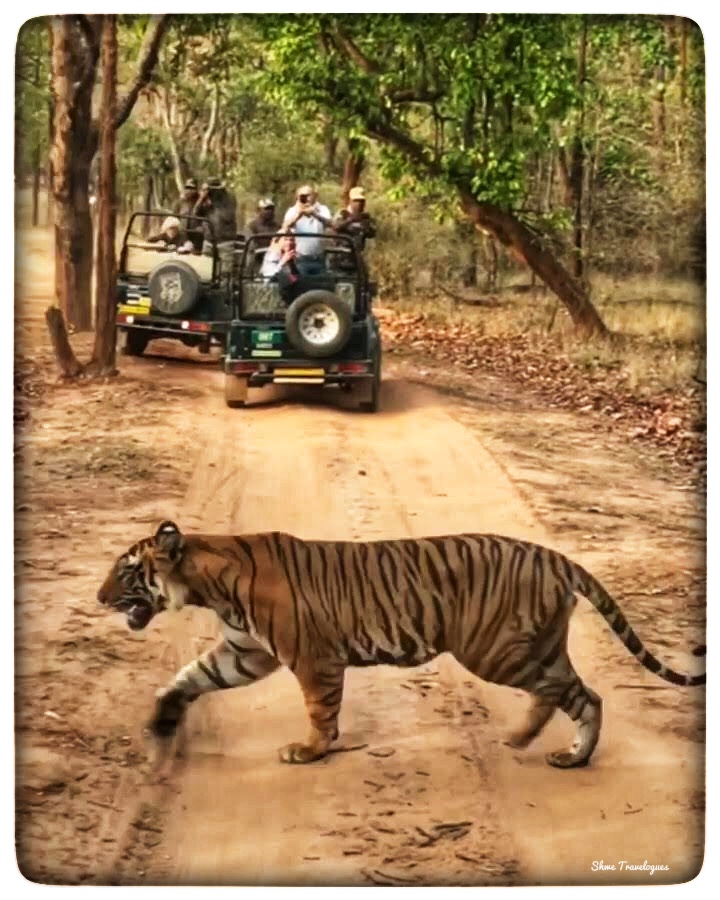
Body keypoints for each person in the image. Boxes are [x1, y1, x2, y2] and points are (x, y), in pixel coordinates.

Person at [281, 184, 332, 272]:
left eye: (309, 195)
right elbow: (285, 226)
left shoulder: (323, 209)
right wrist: (299, 214)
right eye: (303, 196)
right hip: (301, 258)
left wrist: (315, 214)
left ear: (315, 196)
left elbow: (330, 224)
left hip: (319, 258)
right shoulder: (293, 211)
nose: (307, 198)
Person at [193, 176, 238, 245]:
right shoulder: (206, 201)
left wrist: (212, 203)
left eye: (209, 190)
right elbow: (195, 213)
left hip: (225, 241)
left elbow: (227, 216)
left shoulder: (228, 198)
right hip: (209, 240)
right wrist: (201, 198)